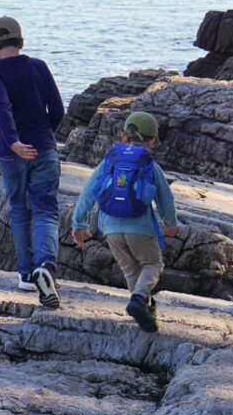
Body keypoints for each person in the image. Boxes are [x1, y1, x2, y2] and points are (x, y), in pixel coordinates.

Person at [0, 16, 65, 307]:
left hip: (11, 152)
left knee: (19, 209)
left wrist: (14, 141)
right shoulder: (39, 67)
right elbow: (58, 110)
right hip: (43, 149)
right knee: (46, 211)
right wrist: (45, 137)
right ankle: (46, 267)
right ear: (21, 42)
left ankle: (27, 275)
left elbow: (1, 106)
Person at [71, 111, 179, 332]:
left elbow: (88, 193)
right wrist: (170, 223)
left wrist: (79, 224)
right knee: (152, 264)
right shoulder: (149, 165)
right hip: (140, 228)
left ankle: (144, 310)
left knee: (130, 270)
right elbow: (165, 199)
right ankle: (139, 300)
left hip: (110, 228)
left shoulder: (109, 161)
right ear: (151, 141)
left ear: (123, 137)